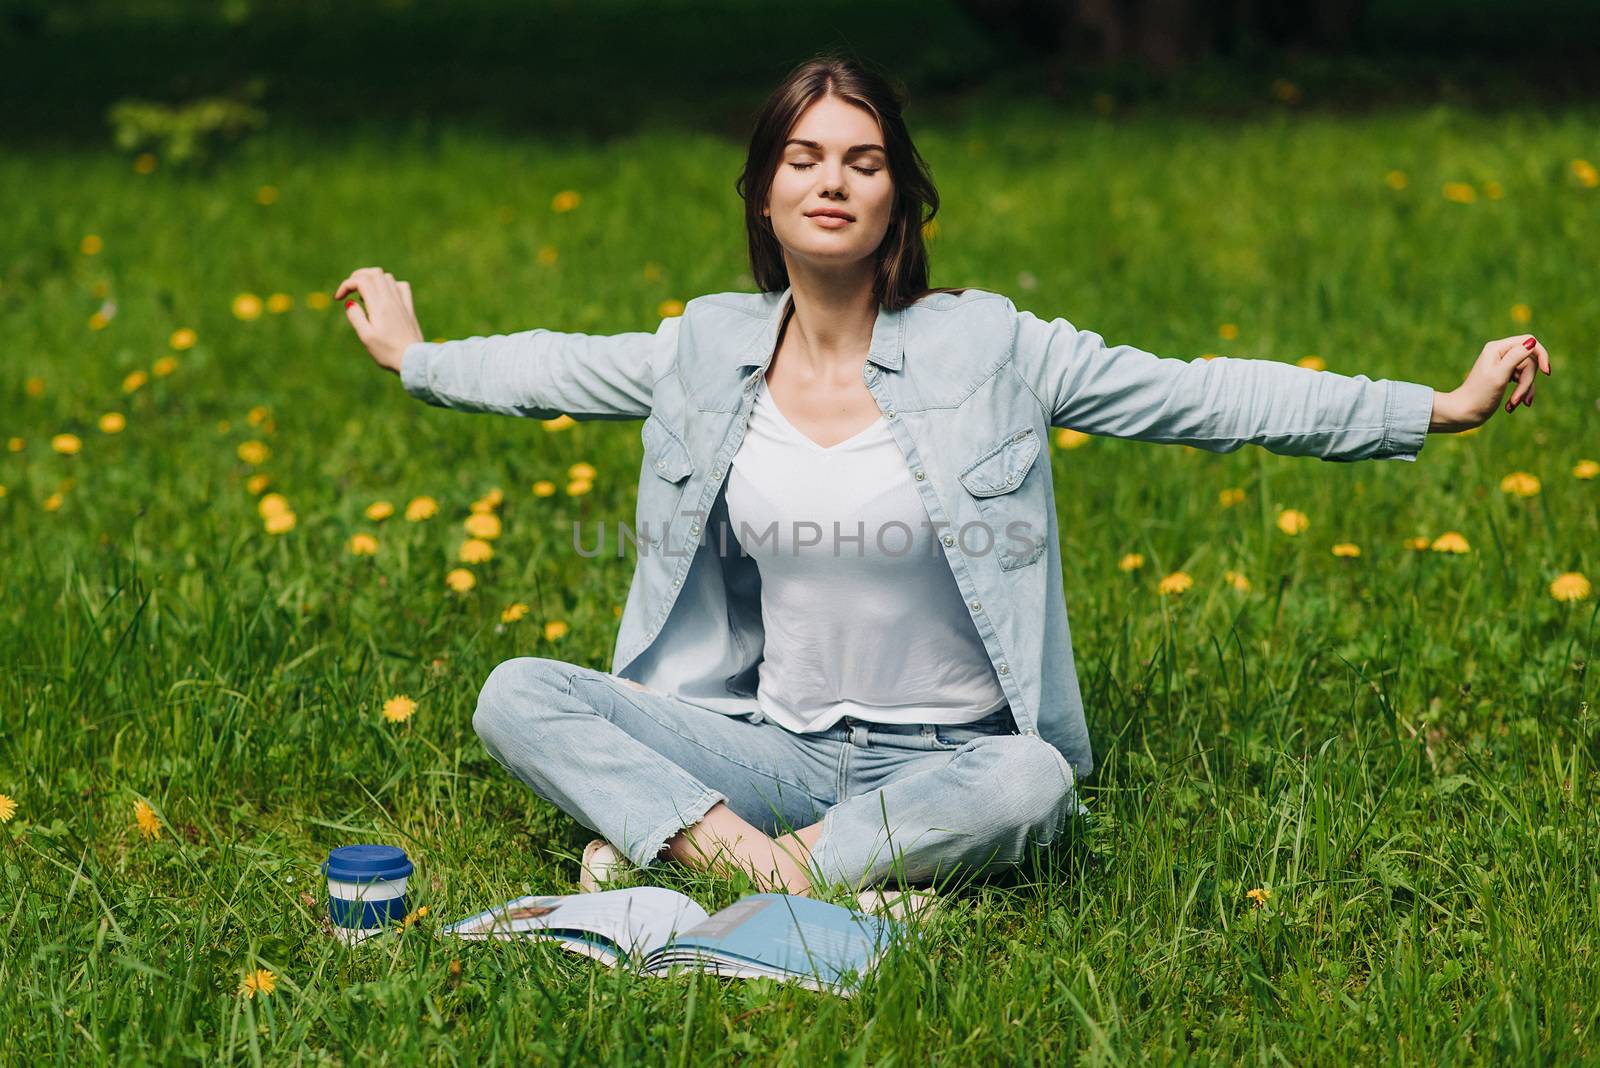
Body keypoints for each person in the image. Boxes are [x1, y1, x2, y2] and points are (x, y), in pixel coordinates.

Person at [334, 53, 1553, 904]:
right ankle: (804, 868)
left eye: (862, 161)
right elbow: (554, 366)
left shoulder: (995, 346)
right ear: (766, 193)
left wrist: (1426, 410)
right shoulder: (703, 347)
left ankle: (718, 859)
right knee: (517, 692)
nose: (830, 179)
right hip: (777, 745)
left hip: (953, 756)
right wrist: (417, 356)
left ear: (897, 199)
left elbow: (1201, 393)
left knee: (1035, 787)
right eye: (804, 158)